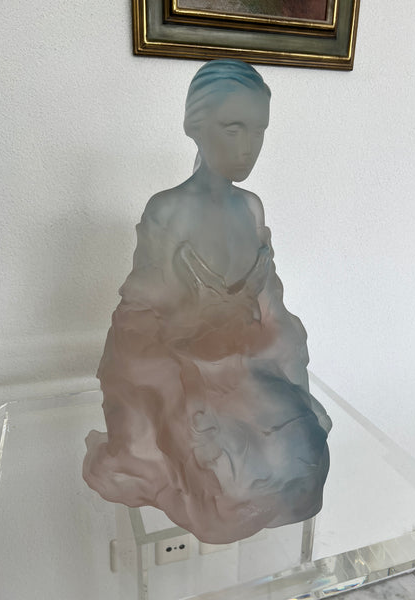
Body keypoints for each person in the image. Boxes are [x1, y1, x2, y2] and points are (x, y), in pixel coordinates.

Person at [83, 60, 331, 543]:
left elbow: (273, 306)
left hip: (248, 368)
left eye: (258, 131)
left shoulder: (250, 207)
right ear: (194, 126)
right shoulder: (167, 211)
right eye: (233, 128)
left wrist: (295, 387)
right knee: (231, 485)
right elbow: (138, 320)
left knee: (306, 459)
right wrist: (179, 391)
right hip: (185, 373)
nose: (248, 146)